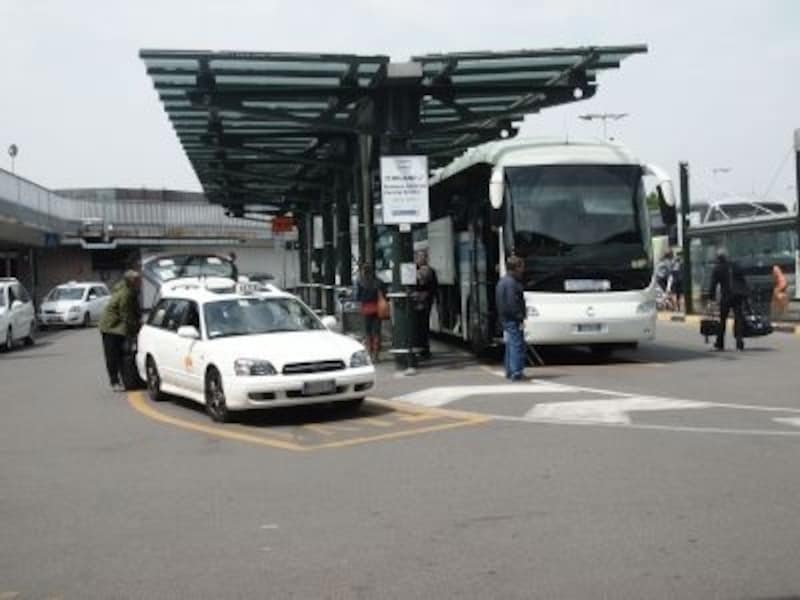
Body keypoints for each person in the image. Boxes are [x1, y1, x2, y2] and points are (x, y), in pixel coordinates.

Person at [99, 270, 142, 391]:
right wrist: (135, 330)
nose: (141, 282)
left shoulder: (131, 290)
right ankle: (114, 382)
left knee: (124, 354)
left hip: (119, 326)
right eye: (139, 280)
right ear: (132, 281)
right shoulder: (126, 293)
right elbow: (126, 315)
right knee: (112, 355)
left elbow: (134, 312)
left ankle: (128, 380)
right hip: (110, 327)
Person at [706, 250, 748, 351]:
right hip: (737, 295)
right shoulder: (735, 265)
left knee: (722, 320)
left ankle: (720, 342)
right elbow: (743, 280)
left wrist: (711, 298)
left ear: (718, 258)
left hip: (726, 297)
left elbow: (713, 285)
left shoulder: (718, 268)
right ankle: (739, 341)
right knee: (738, 318)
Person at [496, 255, 527, 381]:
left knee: (510, 344)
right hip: (512, 318)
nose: (523, 270)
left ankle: (510, 370)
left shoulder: (503, 281)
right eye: (521, 267)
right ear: (516, 268)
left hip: (505, 318)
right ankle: (516, 372)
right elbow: (511, 303)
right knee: (517, 345)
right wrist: (520, 316)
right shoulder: (512, 283)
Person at [355, 264, 385, 362]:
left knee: (367, 332)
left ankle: (369, 352)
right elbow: (385, 295)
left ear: (363, 272)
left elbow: (358, 297)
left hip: (366, 308)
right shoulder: (379, 282)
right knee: (376, 332)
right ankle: (376, 355)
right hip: (377, 308)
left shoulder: (361, 282)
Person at [412, 250, 437, 360]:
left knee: (422, 326)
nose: (421, 259)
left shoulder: (428, 271)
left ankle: (423, 350)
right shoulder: (414, 270)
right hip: (420, 302)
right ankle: (422, 349)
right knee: (419, 327)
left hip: (423, 303)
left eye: (423, 257)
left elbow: (432, 286)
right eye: (419, 257)